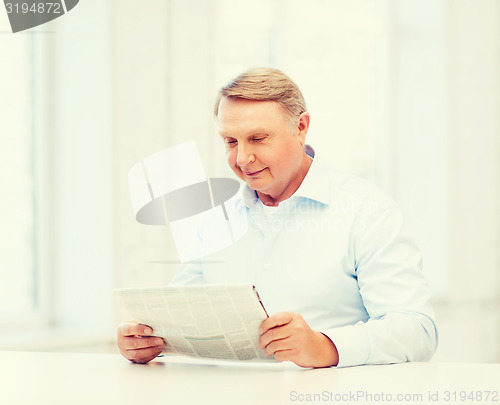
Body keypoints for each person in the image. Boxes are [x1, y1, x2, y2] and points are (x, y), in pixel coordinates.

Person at [117, 68, 438, 368]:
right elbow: (181, 311)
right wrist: (146, 337)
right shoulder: (217, 216)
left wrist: (324, 346)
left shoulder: (367, 211)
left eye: (258, 139)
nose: (242, 159)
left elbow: (417, 330)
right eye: (231, 141)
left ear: (301, 127)